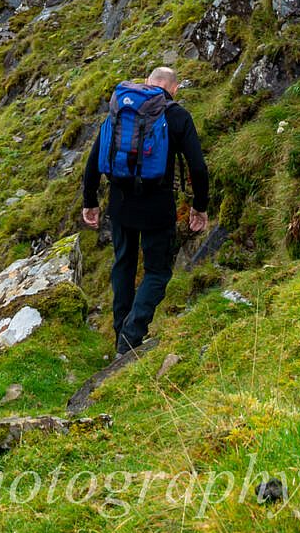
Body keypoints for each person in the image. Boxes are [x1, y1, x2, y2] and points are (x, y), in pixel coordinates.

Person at [82, 66, 209, 356]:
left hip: (120, 204)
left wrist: (90, 201)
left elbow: (95, 157)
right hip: (157, 207)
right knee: (158, 272)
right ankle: (131, 335)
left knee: (123, 265)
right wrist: (199, 207)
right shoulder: (177, 116)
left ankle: (120, 335)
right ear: (175, 88)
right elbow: (198, 167)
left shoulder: (121, 108)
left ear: (147, 82)